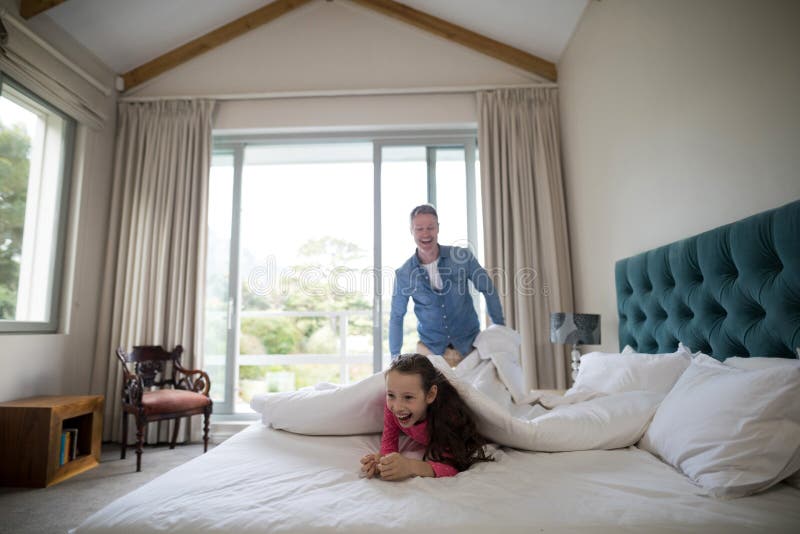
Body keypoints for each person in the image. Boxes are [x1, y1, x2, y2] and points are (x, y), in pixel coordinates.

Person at [389, 204, 505, 367]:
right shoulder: (404, 274)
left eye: (430, 227)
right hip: (431, 350)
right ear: (411, 231)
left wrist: (499, 328)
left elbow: (488, 288)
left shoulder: (462, 257)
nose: (425, 234)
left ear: (438, 228)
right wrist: (395, 358)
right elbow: (397, 316)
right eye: (419, 229)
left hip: (470, 345)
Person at [360, 354, 493, 480]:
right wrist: (382, 462)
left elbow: (452, 466)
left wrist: (410, 466)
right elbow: (389, 444)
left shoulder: (447, 416)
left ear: (430, 395)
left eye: (408, 397)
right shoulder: (392, 408)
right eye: (391, 395)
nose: (397, 406)